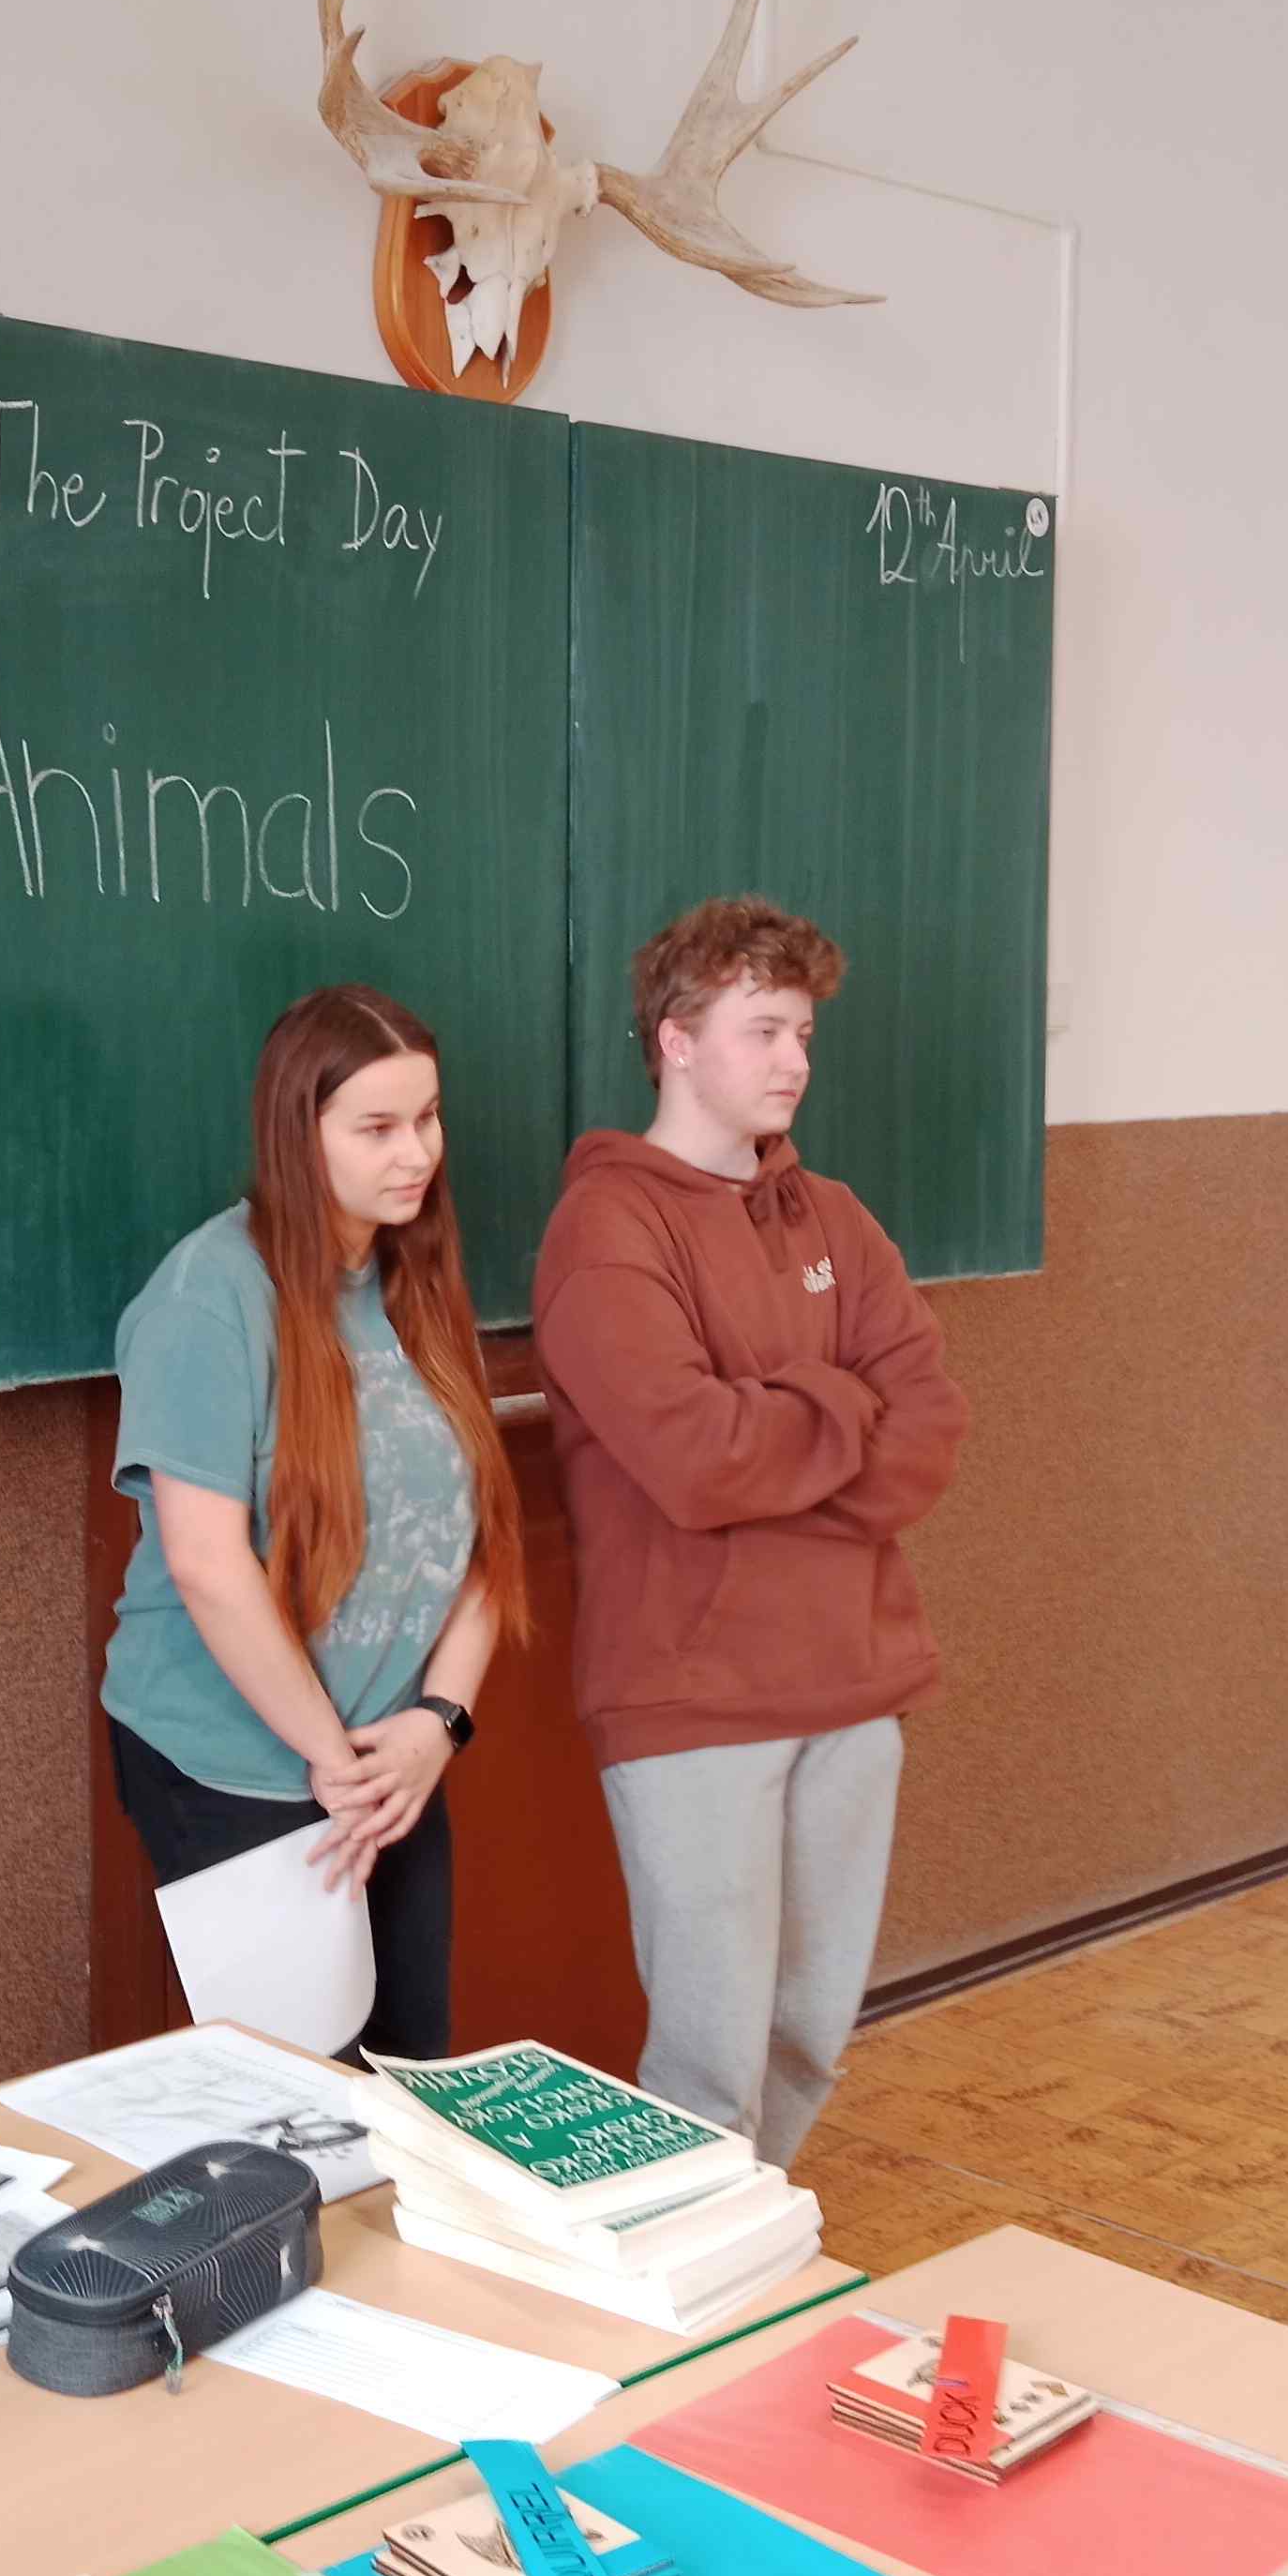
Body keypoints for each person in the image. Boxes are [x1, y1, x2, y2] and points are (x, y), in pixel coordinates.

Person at [532, 898, 968, 2163]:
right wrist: (840, 1405)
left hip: (852, 1681)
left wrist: (784, 1430)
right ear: (677, 1041)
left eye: (804, 1034)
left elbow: (929, 1427)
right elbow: (694, 1457)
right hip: (696, 1700)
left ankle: (749, 2245)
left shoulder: (833, 1218)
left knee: (807, 2036)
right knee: (709, 2062)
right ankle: (694, 2268)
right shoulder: (607, 1229)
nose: (794, 1061)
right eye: (764, 1030)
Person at [97, 985, 530, 2060]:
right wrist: (330, 1762)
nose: (415, 1153)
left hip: (392, 1762)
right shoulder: (209, 1296)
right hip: (240, 1764)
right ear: (300, 1133)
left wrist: (439, 1722)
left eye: (427, 1118)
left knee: (410, 2079)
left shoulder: (415, 1278)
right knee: (306, 2104)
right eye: (377, 1128)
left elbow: (482, 1534)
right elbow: (206, 1563)